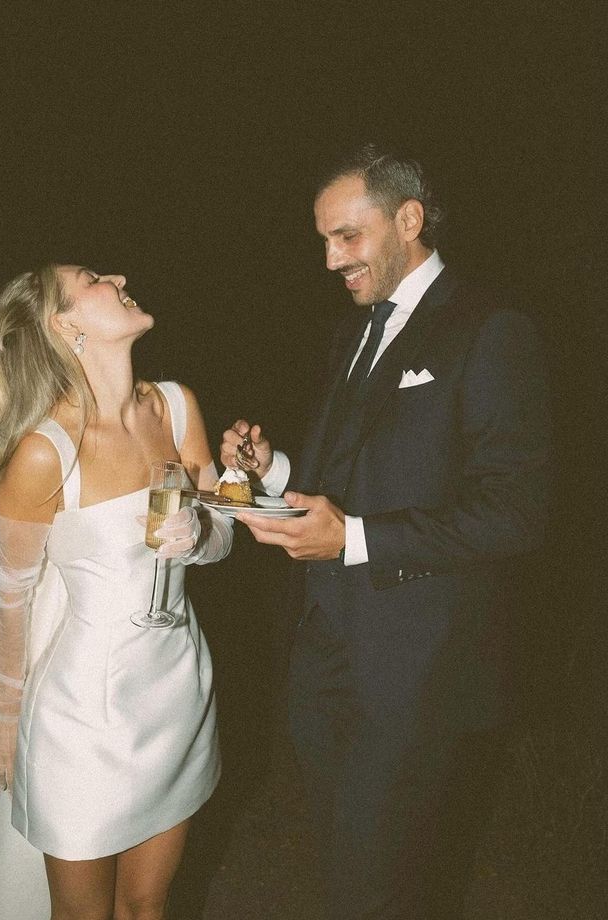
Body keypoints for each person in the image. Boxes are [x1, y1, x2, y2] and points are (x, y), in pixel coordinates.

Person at [221, 144, 551, 919]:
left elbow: (516, 513)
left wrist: (357, 540)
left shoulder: (490, 328)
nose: (333, 258)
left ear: (409, 218)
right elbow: (346, 486)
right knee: (348, 866)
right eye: (324, 241)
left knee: (377, 884)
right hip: (327, 652)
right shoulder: (355, 333)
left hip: (414, 670)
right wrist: (272, 472)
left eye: (348, 236)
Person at [0, 264, 233, 920]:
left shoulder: (176, 405)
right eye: (93, 277)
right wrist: (5, 717)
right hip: (83, 719)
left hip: (179, 693)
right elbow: (12, 595)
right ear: (67, 326)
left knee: (148, 907)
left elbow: (223, 524)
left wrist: (210, 520)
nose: (117, 275)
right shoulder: (45, 453)